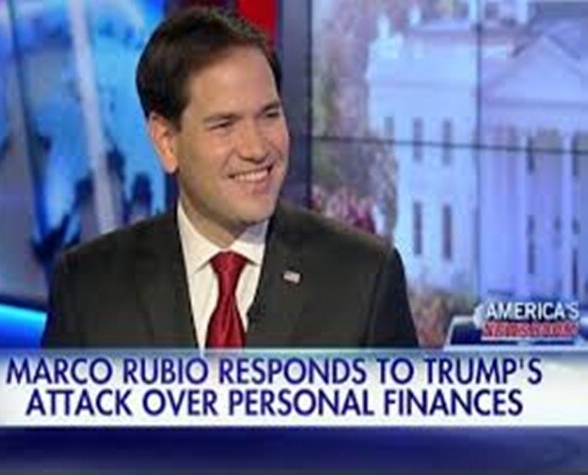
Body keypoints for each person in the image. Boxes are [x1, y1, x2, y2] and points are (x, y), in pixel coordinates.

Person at [42, 7, 417, 348]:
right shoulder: (87, 287)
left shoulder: (365, 278)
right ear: (166, 141)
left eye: (269, 115)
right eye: (224, 124)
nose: (257, 148)